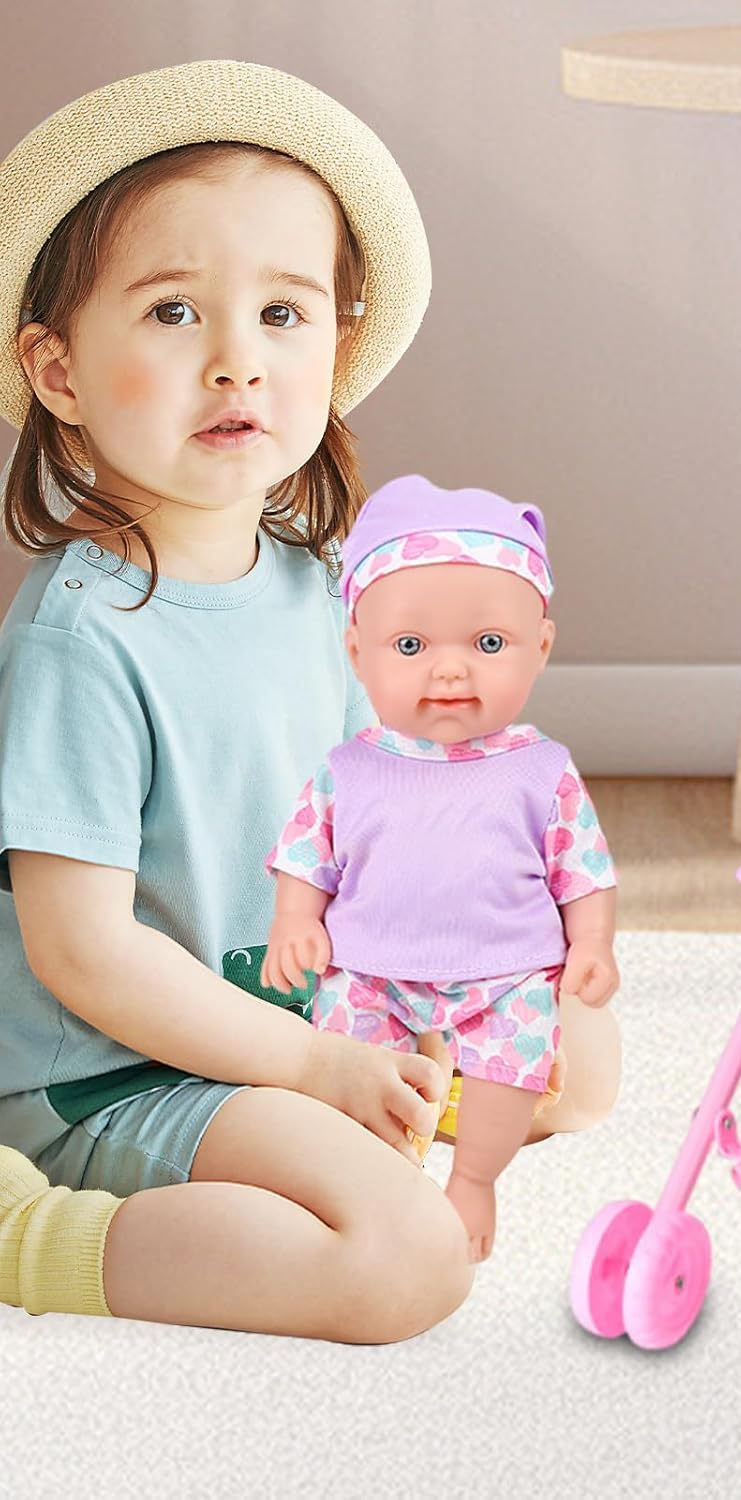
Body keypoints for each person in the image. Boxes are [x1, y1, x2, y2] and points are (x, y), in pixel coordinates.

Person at [0, 61, 615, 1338]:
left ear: (332, 348)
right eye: (175, 313)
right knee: (404, 1260)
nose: (238, 363)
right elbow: (84, 954)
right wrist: (314, 1066)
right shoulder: (82, 642)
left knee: (579, 1057)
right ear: (58, 373)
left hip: (284, 1019)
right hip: (119, 1076)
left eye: (282, 314)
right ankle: (26, 1236)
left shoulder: (321, 585)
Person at [264, 474, 620, 1261]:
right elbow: (306, 857)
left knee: (512, 1070)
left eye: (488, 645)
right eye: (411, 647)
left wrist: (591, 942)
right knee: (358, 1062)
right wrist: (294, 921)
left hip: (505, 971)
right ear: (358, 654)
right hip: (370, 970)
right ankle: (381, 1178)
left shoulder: (543, 771)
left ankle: (475, 1179)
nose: (450, 671)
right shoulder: (348, 770)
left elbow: (583, 871)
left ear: (540, 648)